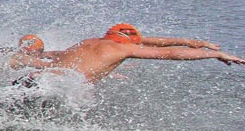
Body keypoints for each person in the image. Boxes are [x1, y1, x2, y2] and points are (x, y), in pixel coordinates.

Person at [13, 25, 242, 83]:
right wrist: (214, 55)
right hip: (58, 85)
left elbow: (148, 41)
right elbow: (170, 52)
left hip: (37, 78)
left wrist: (192, 42)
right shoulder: (123, 48)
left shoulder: (90, 42)